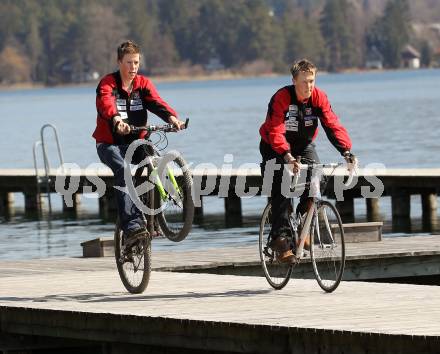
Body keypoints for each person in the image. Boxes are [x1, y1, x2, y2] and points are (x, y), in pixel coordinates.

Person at [259, 59, 356, 262]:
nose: (309, 86)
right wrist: (286, 155)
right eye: (304, 81)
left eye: (312, 81)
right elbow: (275, 130)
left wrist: (346, 152)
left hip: (303, 145)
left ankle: (304, 222)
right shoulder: (281, 97)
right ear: (294, 80)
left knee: (317, 177)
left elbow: (332, 124)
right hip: (274, 146)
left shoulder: (319, 97)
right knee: (281, 184)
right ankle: (281, 240)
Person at [93, 40, 185, 242]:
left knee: (154, 159)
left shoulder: (142, 84)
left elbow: (157, 103)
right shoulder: (108, 83)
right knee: (123, 172)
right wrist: (117, 120)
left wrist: (172, 118)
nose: (133, 67)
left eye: (136, 62)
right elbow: (106, 103)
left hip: (137, 142)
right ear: (119, 62)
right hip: (110, 145)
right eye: (128, 62)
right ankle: (132, 226)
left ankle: (153, 220)